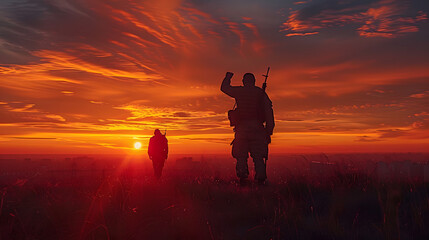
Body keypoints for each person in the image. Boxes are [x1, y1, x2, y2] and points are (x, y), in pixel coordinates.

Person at [221, 72, 275, 185]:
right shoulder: (260, 93)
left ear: (243, 81)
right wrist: (268, 132)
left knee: (241, 156)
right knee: (258, 157)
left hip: (242, 128)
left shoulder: (240, 91)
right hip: (257, 129)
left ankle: (242, 180)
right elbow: (269, 112)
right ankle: (260, 180)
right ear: (254, 81)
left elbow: (224, 88)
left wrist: (228, 77)